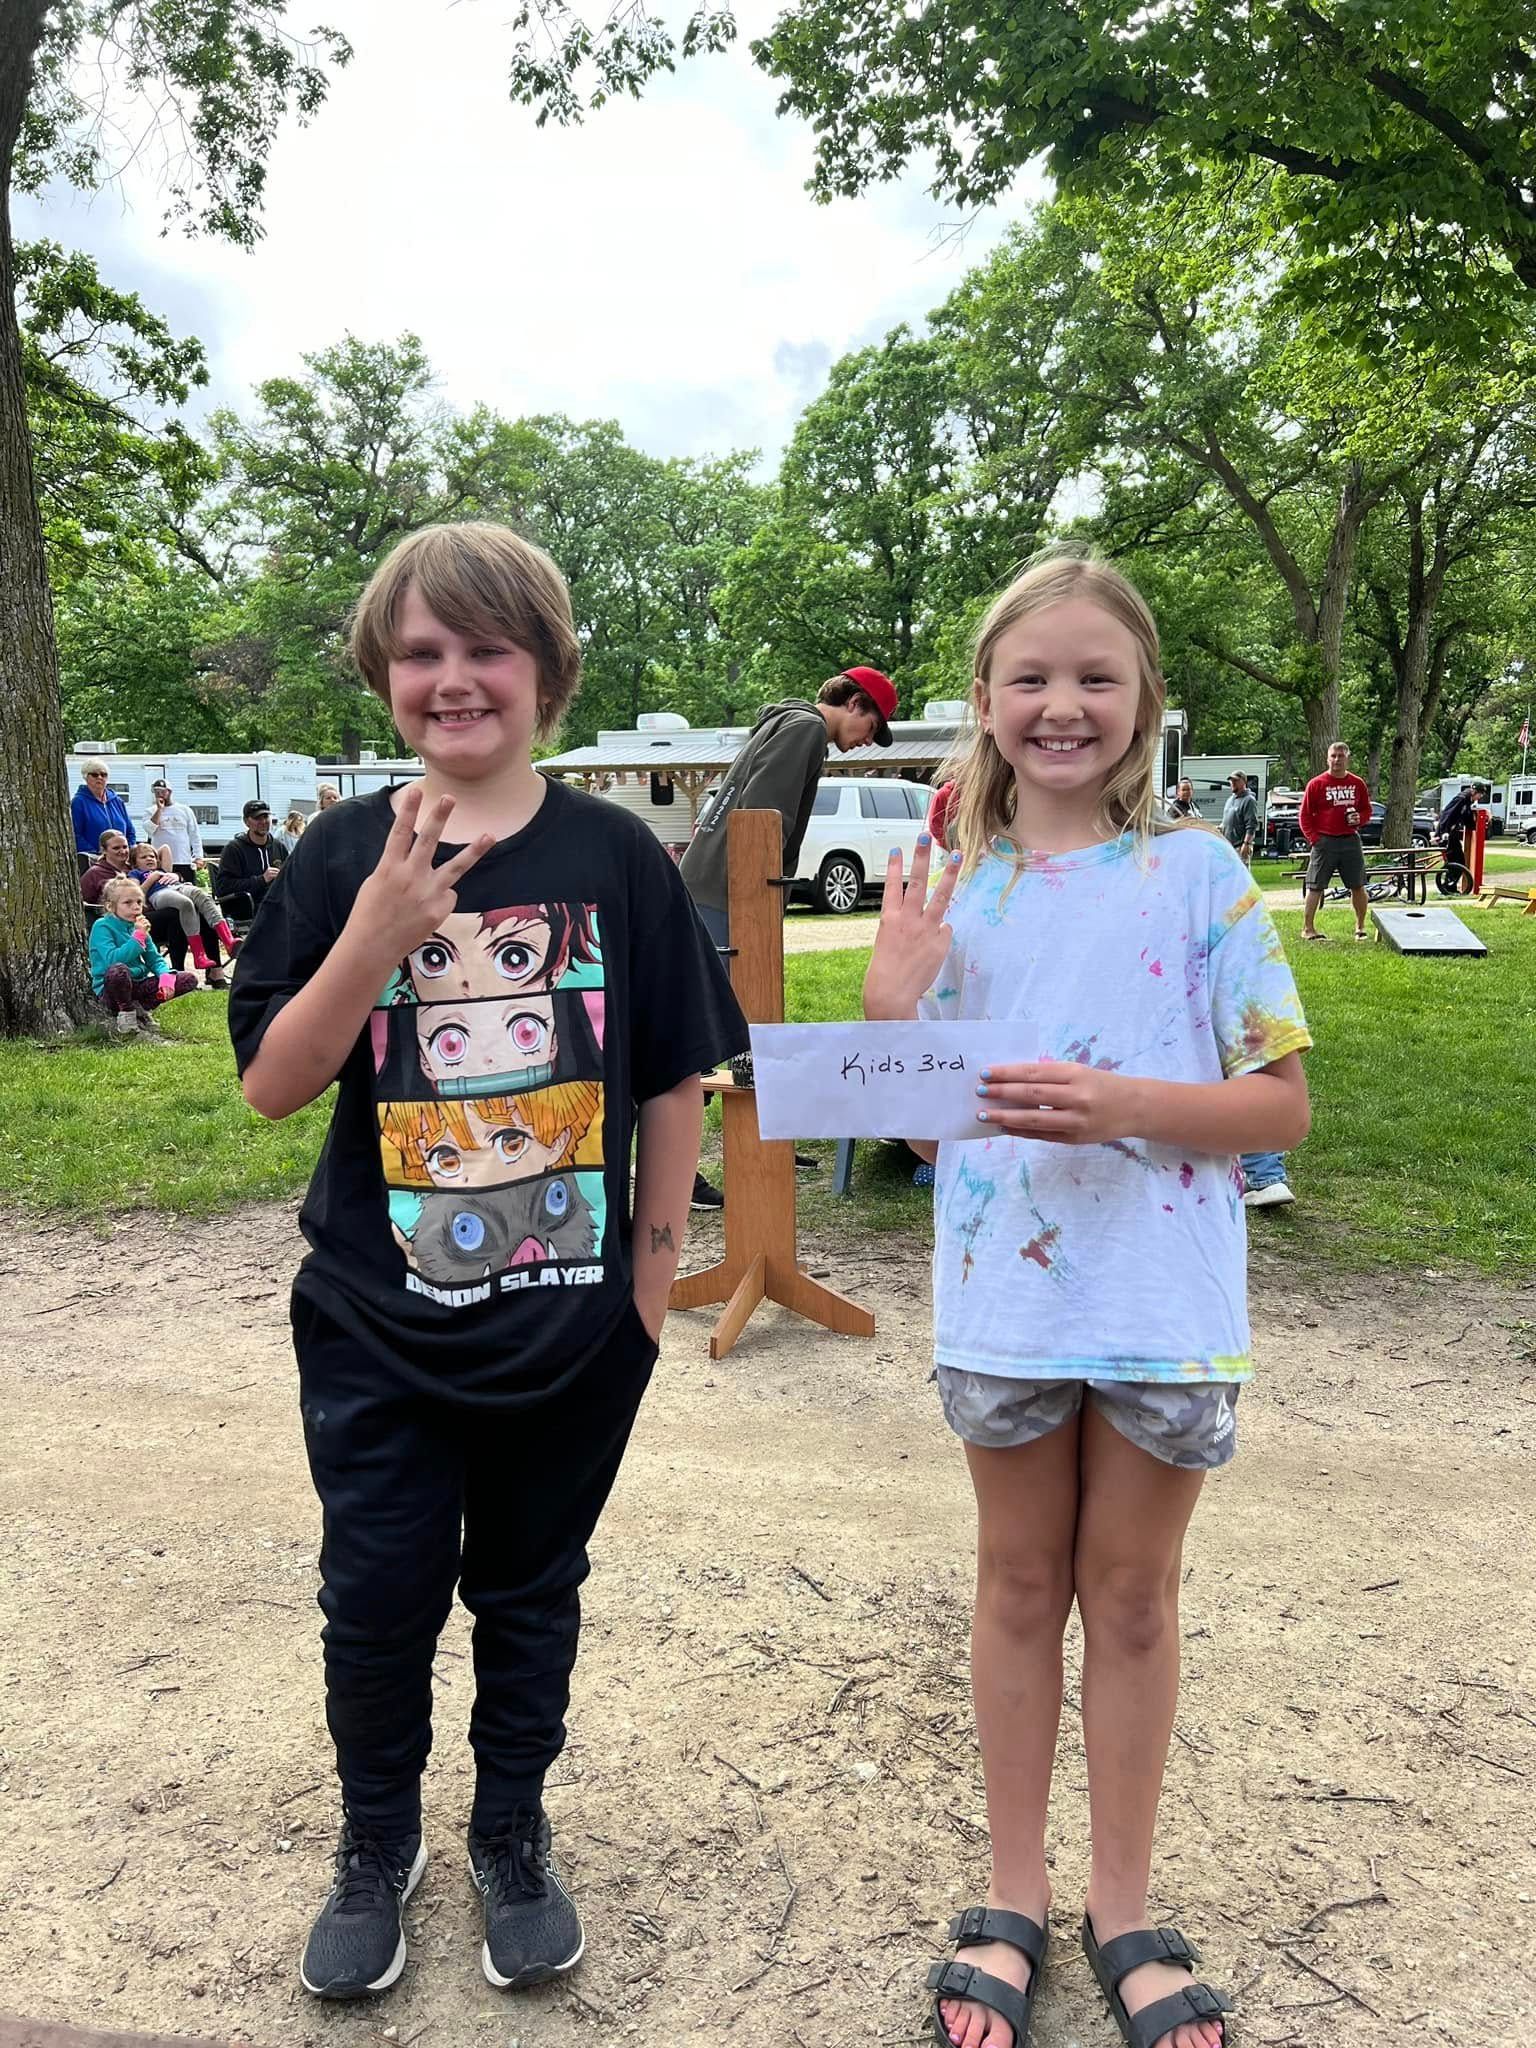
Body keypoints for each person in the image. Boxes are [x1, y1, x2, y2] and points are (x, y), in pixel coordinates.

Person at [227, 522, 746, 2006]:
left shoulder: (616, 860)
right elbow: (274, 1082)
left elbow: (667, 1077)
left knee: (530, 1589)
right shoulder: (340, 856)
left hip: (573, 1330)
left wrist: (648, 1285)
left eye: (487, 649)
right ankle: (375, 1841)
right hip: (375, 1321)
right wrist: (379, 933)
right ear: (387, 675)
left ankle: (511, 1832)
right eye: (423, 652)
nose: (455, 679)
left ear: (548, 672)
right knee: (378, 1592)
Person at [863, 552, 1311, 2048]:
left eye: (1095, 678)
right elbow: (924, 1132)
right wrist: (891, 1003)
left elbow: (1280, 1114)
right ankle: (1014, 1889)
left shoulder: (1201, 879)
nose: (1063, 706)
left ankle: (1122, 1904)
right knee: (1014, 1588)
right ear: (984, 702)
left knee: (1129, 1600)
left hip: (1162, 1303)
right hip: (1002, 1307)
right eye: (1031, 678)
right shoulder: (952, 890)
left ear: (1145, 704)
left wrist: (1118, 1098)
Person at [678, 664, 897, 1207]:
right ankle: (679, 1176)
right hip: (728, 891)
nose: (868, 739)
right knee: (706, 1032)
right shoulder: (803, 730)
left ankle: (766, 1139)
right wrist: (763, 893)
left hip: (721, 886)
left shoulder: (789, 723)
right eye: (873, 725)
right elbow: (759, 820)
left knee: (751, 1018)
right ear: (854, 703)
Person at [89, 875, 199, 1035]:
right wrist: (138, 937)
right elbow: (112, 960)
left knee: (188, 979)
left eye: (139, 902)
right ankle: (126, 1013)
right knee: (118, 970)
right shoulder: (102, 926)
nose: (136, 907)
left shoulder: (139, 927)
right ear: (111, 906)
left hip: (137, 984)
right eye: (128, 903)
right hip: (111, 988)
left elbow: (154, 959)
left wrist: (165, 977)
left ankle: (141, 1009)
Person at [129, 843, 241, 988]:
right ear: (134, 862)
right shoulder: (135, 873)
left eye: (152, 856)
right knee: (185, 903)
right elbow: (136, 893)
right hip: (159, 895)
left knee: (202, 896)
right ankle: (198, 953)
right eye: (143, 857)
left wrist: (170, 873)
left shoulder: (163, 870)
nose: (149, 859)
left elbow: (165, 848)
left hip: (177, 886)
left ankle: (228, 940)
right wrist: (153, 877)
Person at [1299, 741, 1372, 941]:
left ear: (1348, 758)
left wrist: (1360, 819)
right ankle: (1308, 929)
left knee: (1357, 885)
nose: (1337, 759)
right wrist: (1314, 839)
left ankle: (1360, 927)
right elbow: (1304, 815)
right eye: (1333, 756)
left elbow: (1366, 810)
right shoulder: (1316, 784)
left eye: (1341, 756)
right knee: (1315, 885)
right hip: (1324, 841)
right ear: (1327, 758)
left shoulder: (1357, 783)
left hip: (1350, 840)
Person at [216, 799, 288, 920]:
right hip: (248, 909)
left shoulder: (278, 846)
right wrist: (261, 880)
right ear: (246, 822)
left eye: (266, 817)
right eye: (257, 818)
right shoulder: (234, 849)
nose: (263, 822)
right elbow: (223, 887)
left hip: (278, 906)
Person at [71, 760, 134, 862]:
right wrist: (97, 854)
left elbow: (130, 830)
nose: (100, 777)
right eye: (95, 774)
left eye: (103, 775)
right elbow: (75, 834)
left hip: (122, 859)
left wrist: (128, 850)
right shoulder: (79, 802)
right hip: (96, 860)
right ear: (86, 777)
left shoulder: (117, 801)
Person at [148, 779, 204, 878]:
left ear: (169, 792)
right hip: (160, 861)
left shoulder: (185, 810)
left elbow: (194, 834)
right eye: (156, 791)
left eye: (162, 791)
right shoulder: (150, 811)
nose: (159, 794)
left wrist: (198, 856)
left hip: (183, 860)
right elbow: (150, 830)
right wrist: (159, 809)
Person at [1436, 781, 1485, 893]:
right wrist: (1444, 831)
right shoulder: (1461, 799)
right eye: (1480, 794)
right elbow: (1446, 814)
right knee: (1457, 861)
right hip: (1446, 834)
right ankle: (1448, 886)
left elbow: (1466, 817)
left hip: (1451, 834)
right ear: (1475, 792)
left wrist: (1475, 826)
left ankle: (1449, 886)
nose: (1480, 797)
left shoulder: (1467, 801)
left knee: (1456, 860)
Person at [1218, 771, 1259, 864]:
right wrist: (1219, 828)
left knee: (1240, 877)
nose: (1232, 783)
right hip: (1228, 847)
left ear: (1244, 782)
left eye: (1235, 781)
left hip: (1240, 847)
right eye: (1231, 781)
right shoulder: (1230, 800)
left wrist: (1246, 844)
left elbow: (1251, 825)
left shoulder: (1249, 800)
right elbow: (1226, 821)